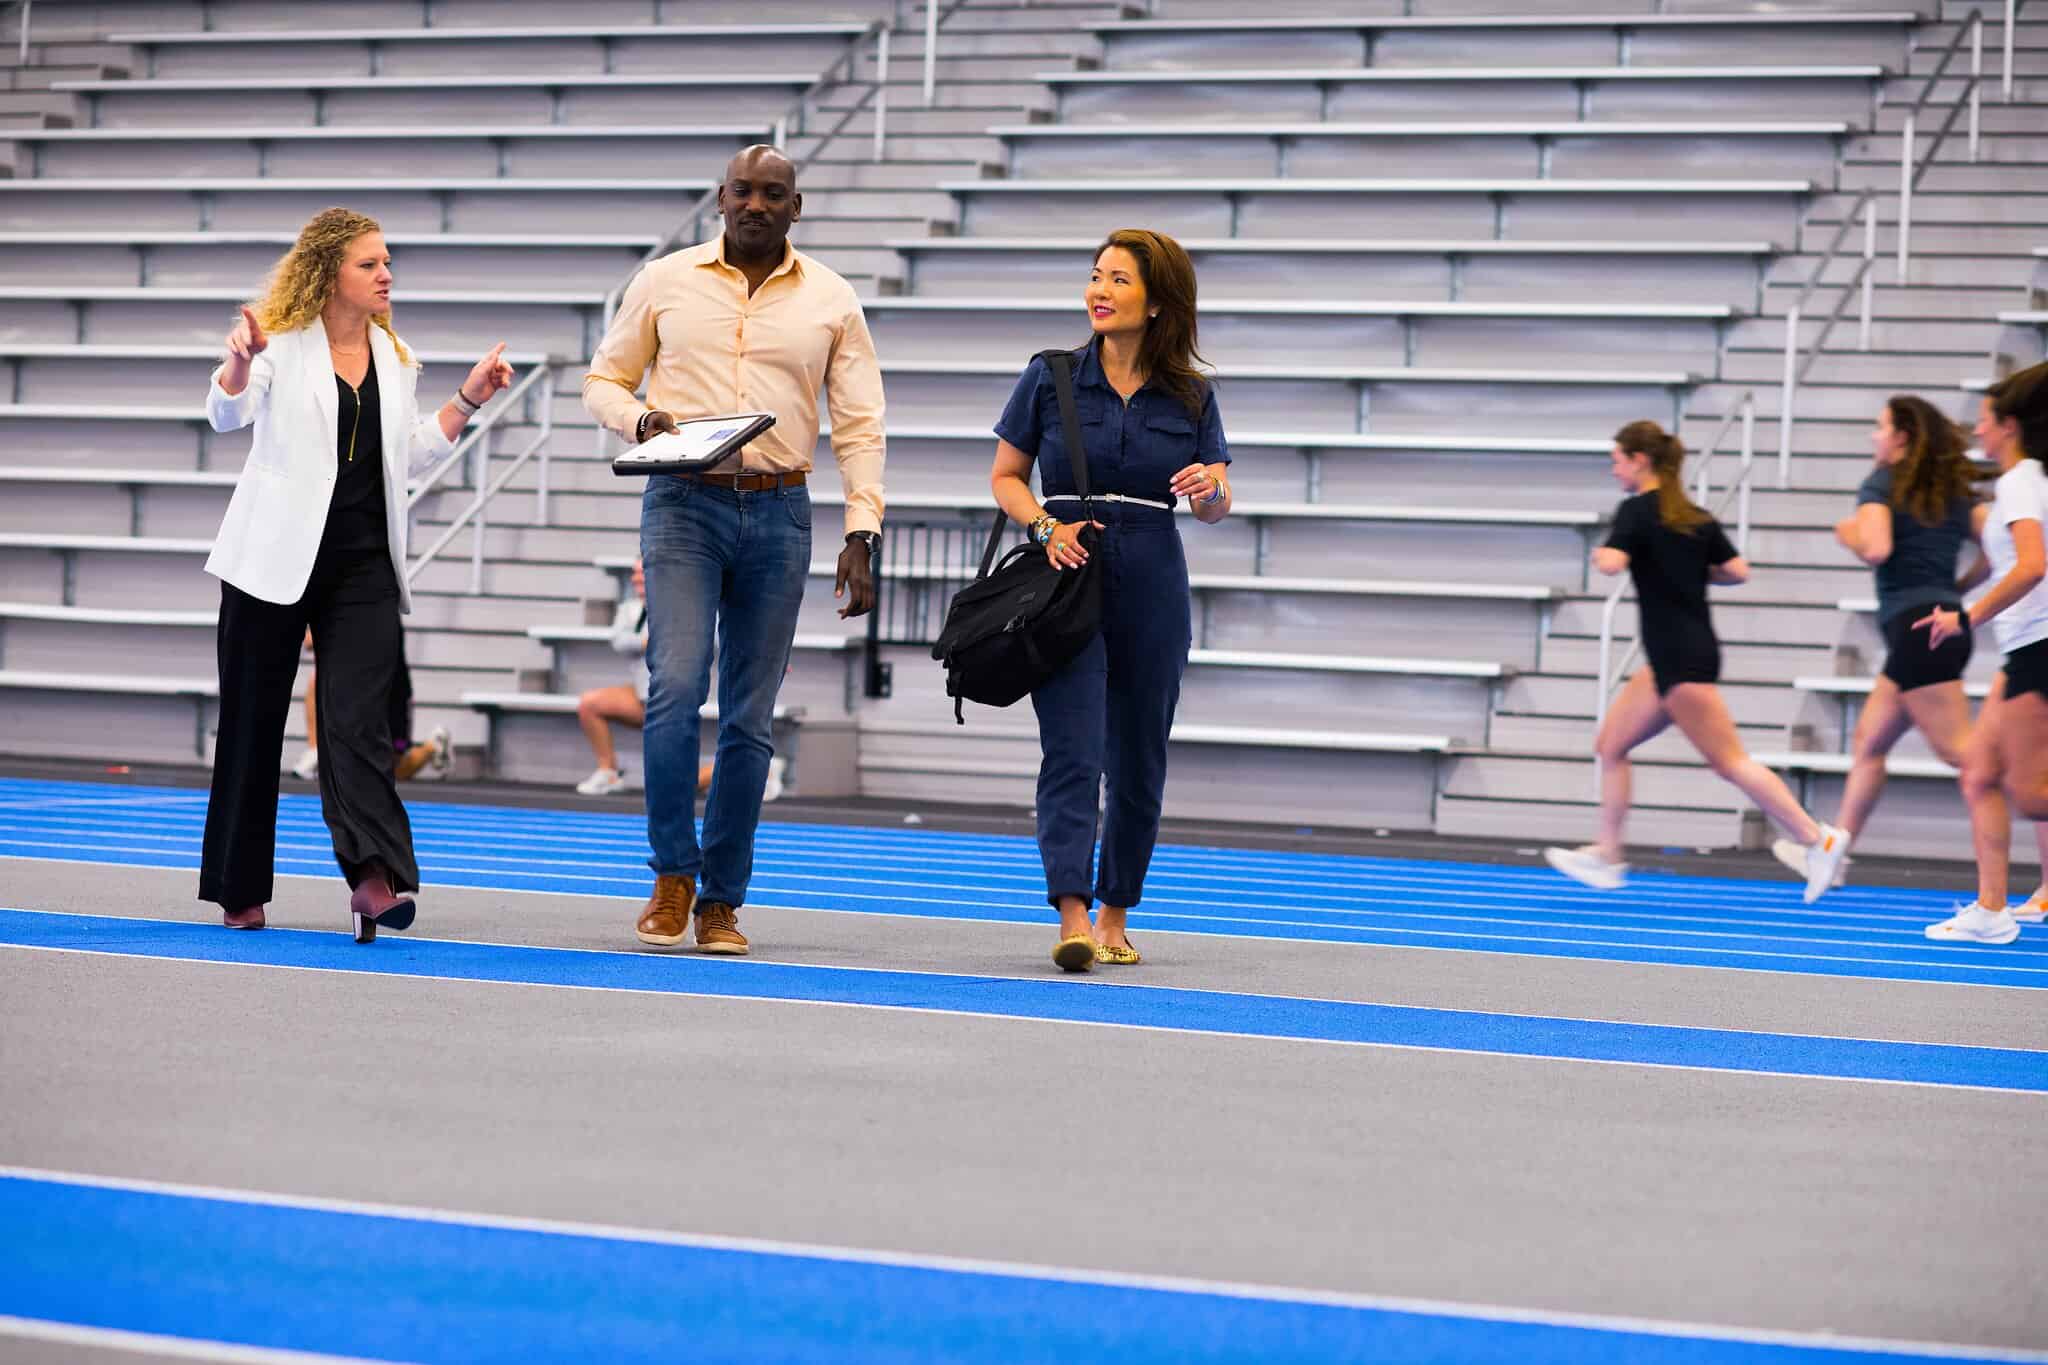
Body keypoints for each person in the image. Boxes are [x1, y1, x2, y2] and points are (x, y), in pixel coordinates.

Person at [584, 145, 883, 955]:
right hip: (683, 501)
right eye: (743, 191)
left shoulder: (832, 298)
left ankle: (722, 899)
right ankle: (672, 872)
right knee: (676, 687)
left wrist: (863, 530)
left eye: (773, 194)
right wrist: (641, 419)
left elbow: (859, 422)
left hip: (780, 509)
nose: (756, 204)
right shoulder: (665, 280)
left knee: (750, 718)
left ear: (797, 206)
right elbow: (603, 381)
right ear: (721, 197)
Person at [199, 206, 514, 941]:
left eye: (387, 262)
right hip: (270, 559)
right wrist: (241, 360)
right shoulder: (282, 345)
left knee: (359, 725)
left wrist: (469, 399)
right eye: (370, 263)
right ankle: (238, 886)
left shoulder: (396, 358)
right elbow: (224, 412)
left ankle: (373, 878)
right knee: (251, 724)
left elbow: (408, 452)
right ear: (329, 272)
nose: (385, 274)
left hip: (363, 562)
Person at [989, 228, 1231, 972]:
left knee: (1137, 756)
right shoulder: (1049, 375)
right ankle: (1069, 911)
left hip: (1155, 573)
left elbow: (1217, 501)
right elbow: (1005, 476)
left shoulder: (1192, 393)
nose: (1098, 290)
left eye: (1118, 280)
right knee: (1071, 745)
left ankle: (1114, 913)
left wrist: (1211, 488)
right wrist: (1044, 524)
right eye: (1095, 276)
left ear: (1157, 302)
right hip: (1068, 570)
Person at [1545, 420, 1849, 901]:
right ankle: (1607, 854)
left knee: (1729, 762)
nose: (1614, 469)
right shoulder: (1695, 516)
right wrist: (1681, 569)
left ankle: (1817, 839)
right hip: (1680, 653)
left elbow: (1612, 563)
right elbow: (1736, 572)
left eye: (1617, 460)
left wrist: (1606, 553)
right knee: (1611, 744)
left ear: (1640, 460)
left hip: (1678, 657)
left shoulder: (1636, 511)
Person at [1773, 397, 2042, 886]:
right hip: (1929, 626)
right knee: (1869, 741)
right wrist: (1956, 591)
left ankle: (2036, 849)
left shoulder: (1881, 484)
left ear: (1901, 437)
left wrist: (1847, 532)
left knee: (1971, 760)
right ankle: (1833, 850)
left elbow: (1877, 548)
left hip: (1920, 631)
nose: (1874, 437)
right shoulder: (1954, 495)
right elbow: (1994, 547)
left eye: (1880, 427)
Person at [1919, 363, 2048, 944]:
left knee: (2032, 794)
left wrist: (1967, 617)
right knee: (1978, 773)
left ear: (2009, 426)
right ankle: (1992, 911)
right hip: (2023, 645)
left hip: (2040, 644)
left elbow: (2031, 565)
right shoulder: (2028, 480)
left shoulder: (2022, 480)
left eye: (1983, 422)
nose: (1976, 432)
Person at [573, 559, 774, 800]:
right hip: (644, 696)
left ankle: (761, 769)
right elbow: (619, 641)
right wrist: (652, 639)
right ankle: (608, 772)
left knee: (675, 789)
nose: (636, 579)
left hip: (682, 698)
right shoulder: (630, 609)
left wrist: (765, 653)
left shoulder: (686, 607)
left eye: (642, 573)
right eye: (634, 574)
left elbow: (723, 638)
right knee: (590, 703)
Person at [295, 628, 453, 784]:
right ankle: (315, 749)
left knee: (393, 771)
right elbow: (310, 641)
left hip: (391, 694)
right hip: (359, 685)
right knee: (319, 677)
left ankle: (433, 746)